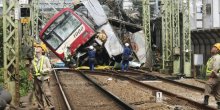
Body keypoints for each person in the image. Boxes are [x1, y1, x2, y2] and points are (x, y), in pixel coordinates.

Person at [31, 43, 54, 109]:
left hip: (44, 79)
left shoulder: (45, 59)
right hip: (36, 79)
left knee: (47, 94)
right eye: (36, 47)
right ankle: (40, 107)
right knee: (37, 94)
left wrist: (44, 71)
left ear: (42, 50)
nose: (36, 48)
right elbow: (32, 69)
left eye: (39, 47)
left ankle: (51, 106)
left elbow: (50, 68)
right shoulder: (33, 60)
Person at [203, 43, 220, 109]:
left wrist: (212, 75)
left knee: (208, 84)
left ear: (218, 50)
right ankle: (219, 104)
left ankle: (206, 99)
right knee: (217, 90)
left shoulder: (217, 57)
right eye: (213, 47)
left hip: (215, 76)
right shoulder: (214, 57)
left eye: (215, 47)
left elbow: (215, 68)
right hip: (218, 77)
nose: (213, 48)